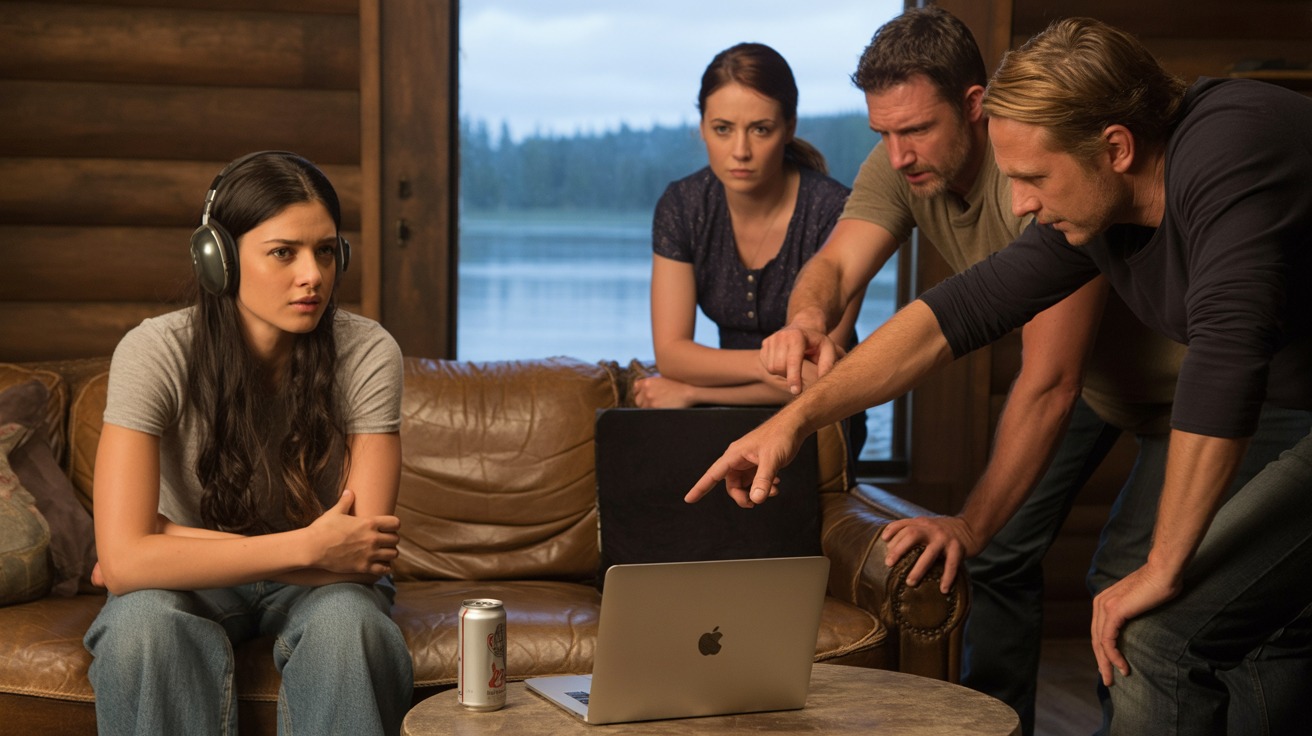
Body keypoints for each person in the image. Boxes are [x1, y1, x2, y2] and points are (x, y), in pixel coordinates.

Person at [689, 16, 1312, 735]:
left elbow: (1222, 362)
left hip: (1260, 411)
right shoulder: (1098, 212)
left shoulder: (1229, 152)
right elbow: (950, 316)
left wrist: (1165, 564)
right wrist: (791, 422)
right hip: (1266, 400)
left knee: (1157, 626)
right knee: (1259, 635)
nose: (1018, 205)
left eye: (1033, 179)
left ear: (1114, 147)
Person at [83, 151, 414, 735]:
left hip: (294, 582)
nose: (312, 274)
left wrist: (163, 540)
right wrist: (311, 547)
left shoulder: (369, 351)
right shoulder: (153, 351)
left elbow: (360, 558)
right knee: (141, 626)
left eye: (326, 250)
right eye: (284, 252)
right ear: (220, 260)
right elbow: (126, 561)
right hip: (204, 586)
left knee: (351, 626)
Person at [633, 42, 858, 410]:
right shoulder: (683, 206)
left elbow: (823, 378)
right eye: (722, 129)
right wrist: (763, 364)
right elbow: (672, 355)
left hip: (821, 419)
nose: (740, 150)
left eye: (760, 129)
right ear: (702, 127)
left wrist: (694, 392)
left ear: (789, 128)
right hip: (723, 415)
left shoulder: (833, 211)